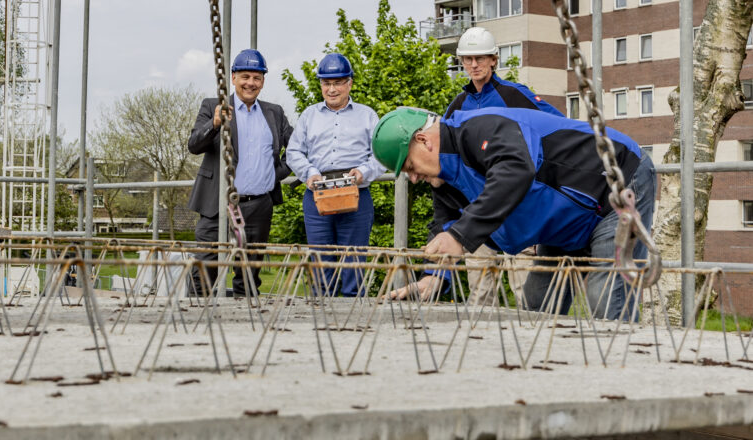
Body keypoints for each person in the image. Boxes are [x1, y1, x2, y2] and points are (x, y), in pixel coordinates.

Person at [371, 106, 656, 320]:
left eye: (409, 167)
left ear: (423, 140)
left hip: (614, 185)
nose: (413, 178)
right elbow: (445, 227)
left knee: (606, 296)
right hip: (565, 221)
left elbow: (516, 171)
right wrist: (434, 276)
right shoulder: (445, 180)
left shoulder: (481, 128)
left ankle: (621, 381)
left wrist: (460, 236)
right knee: (537, 302)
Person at [423, 27, 565, 305]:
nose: (474, 65)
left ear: (493, 60)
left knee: (524, 288)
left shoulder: (515, 96)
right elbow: (446, 160)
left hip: (517, 204)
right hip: (478, 207)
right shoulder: (457, 107)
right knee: (479, 292)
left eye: (480, 58)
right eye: (468, 59)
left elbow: (560, 131)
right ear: (461, 62)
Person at [187, 49, 292, 297]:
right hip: (217, 204)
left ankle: (245, 328)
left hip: (258, 206)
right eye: (245, 76)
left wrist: (275, 173)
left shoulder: (273, 112)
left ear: (263, 81)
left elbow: (297, 146)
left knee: (248, 274)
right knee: (204, 270)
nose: (250, 83)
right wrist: (213, 125)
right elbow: (194, 145)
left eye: (257, 78)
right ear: (233, 78)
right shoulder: (213, 106)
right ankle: (194, 321)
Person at [286, 53, 385, 297]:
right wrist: (309, 173)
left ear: (349, 83)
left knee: (354, 261)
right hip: (317, 194)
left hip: (356, 194)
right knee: (320, 262)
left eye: (338, 82)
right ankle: (321, 318)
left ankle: (354, 317)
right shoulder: (309, 115)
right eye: (326, 83)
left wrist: (363, 172)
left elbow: (382, 154)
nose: (332, 89)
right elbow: (294, 151)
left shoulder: (368, 115)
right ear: (320, 85)